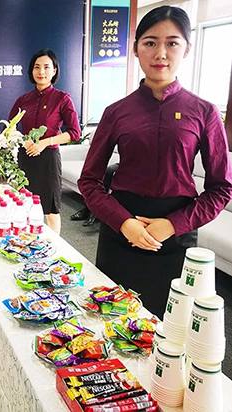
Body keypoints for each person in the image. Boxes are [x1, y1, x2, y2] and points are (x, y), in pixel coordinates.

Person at [78, 5, 232, 318]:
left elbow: (222, 188)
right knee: (110, 320)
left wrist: (172, 225)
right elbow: (89, 181)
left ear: (186, 49)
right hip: (122, 230)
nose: (161, 53)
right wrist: (125, 223)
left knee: (170, 326)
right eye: (150, 42)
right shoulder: (116, 112)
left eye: (172, 43)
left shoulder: (204, 112)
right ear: (136, 48)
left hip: (175, 235)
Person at [8, 49, 81, 235]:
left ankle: (52, 248)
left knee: (51, 211)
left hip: (48, 160)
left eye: (46, 67)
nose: (41, 72)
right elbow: (9, 128)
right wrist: (23, 141)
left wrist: (45, 142)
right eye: (37, 67)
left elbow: (74, 133)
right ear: (31, 70)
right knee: (25, 207)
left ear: (54, 70)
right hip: (26, 157)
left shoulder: (62, 98)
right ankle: (26, 243)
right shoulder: (23, 100)